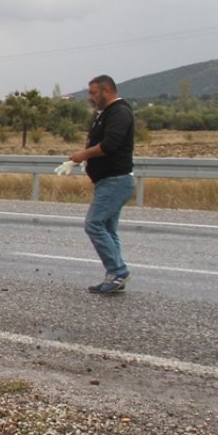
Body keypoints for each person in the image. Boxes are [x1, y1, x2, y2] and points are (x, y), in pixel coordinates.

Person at [67, 75, 136, 295]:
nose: (90, 97)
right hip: (109, 180)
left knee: (94, 224)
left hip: (116, 180)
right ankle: (115, 275)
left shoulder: (119, 112)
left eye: (93, 92)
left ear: (106, 91)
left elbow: (110, 145)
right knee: (107, 228)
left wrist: (82, 155)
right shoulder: (105, 114)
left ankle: (118, 271)